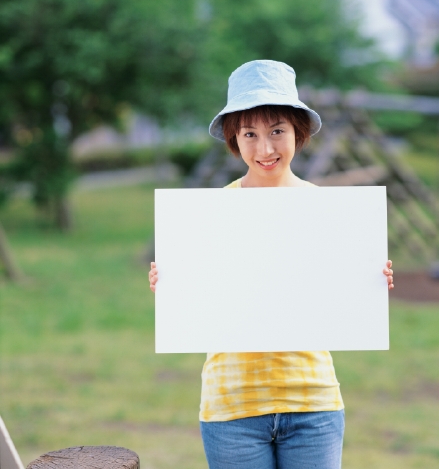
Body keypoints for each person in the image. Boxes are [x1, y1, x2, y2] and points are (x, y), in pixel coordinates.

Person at [148, 60, 394, 469]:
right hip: (233, 407)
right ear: (234, 138)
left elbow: (340, 297)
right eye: (250, 134)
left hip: (312, 402)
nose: (265, 148)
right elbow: (201, 301)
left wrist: (369, 280)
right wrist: (173, 284)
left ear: (298, 132)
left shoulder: (329, 211)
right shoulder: (210, 216)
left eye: (277, 131)